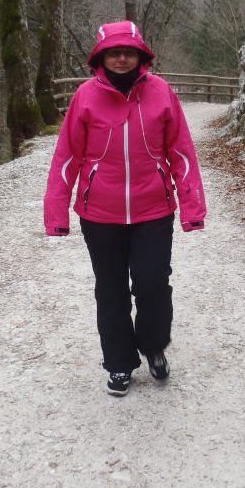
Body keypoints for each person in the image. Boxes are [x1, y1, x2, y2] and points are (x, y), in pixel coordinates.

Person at [44, 20, 206, 396]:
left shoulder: (162, 92)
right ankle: (118, 363)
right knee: (111, 290)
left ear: (140, 56)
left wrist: (191, 207)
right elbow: (66, 158)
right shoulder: (85, 96)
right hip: (100, 215)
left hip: (154, 210)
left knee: (153, 285)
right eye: (113, 52)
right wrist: (57, 213)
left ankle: (153, 348)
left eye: (128, 51)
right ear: (100, 57)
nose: (121, 58)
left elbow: (181, 151)